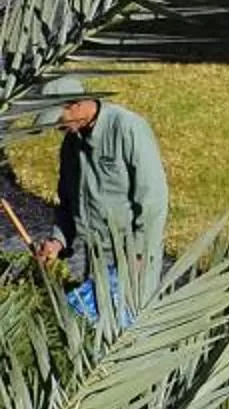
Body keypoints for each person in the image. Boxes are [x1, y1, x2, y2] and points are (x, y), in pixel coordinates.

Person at [29, 75, 168, 324]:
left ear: (75, 105)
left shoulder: (128, 128)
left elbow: (153, 199)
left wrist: (139, 254)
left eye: (58, 120)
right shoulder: (70, 145)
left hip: (132, 259)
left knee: (125, 337)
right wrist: (57, 242)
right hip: (96, 259)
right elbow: (69, 203)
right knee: (93, 333)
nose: (57, 128)